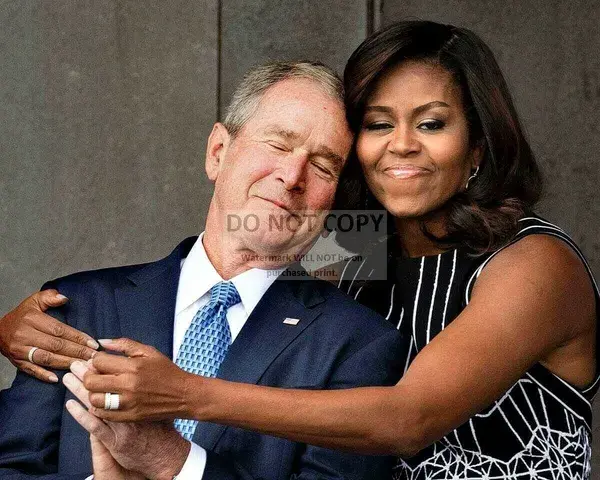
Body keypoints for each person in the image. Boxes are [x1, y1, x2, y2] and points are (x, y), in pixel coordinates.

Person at [2, 20, 599, 479]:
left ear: (478, 149)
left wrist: (188, 395)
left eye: (433, 124)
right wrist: (22, 328)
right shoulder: (360, 246)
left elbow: (406, 419)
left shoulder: (534, 264)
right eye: (379, 123)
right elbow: (226, 266)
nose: (402, 146)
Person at [0, 61, 406, 479]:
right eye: (278, 145)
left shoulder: (359, 346)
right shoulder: (75, 307)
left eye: (323, 166)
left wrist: (174, 462)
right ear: (218, 153)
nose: (292, 176)